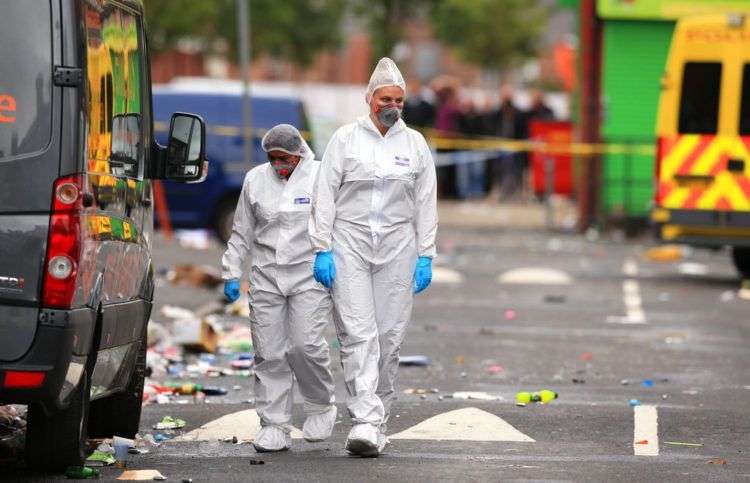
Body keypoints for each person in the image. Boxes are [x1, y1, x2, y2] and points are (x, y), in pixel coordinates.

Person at [309, 57, 438, 457]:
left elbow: (425, 202)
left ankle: (379, 419)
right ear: (369, 99)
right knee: (358, 334)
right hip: (350, 243)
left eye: (399, 100)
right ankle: (364, 419)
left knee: (389, 337)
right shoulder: (346, 140)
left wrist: (425, 254)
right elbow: (324, 194)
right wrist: (322, 247)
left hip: (398, 248)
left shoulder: (414, 144)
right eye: (386, 99)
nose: (393, 107)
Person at [221, 124, 336, 453]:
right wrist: (231, 271)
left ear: (299, 153)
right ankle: (274, 424)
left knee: (305, 346)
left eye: (284, 158)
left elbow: (336, 222)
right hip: (266, 275)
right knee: (268, 352)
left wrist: (331, 256)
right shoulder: (256, 180)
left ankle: (319, 406)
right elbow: (242, 230)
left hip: (308, 272)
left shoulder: (320, 176)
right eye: (272, 158)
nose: (278, 165)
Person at [486, 85, 526, 200]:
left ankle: (516, 193)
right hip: (500, 147)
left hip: (515, 147)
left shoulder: (518, 113)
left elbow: (522, 130)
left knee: (516, 171)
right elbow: (492, 127)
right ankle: (500, 192)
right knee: (499, 171)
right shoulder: (497, 113)